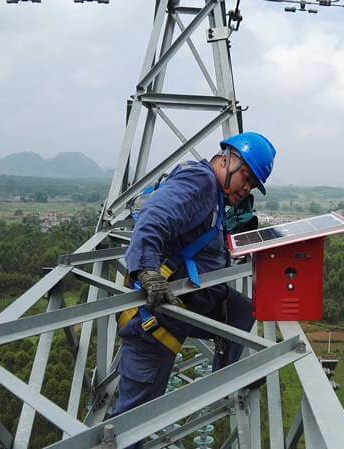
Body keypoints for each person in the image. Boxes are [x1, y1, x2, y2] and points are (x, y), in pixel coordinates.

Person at [112, 132, 277, 431]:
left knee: (241, 310)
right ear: (228, 159)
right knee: (135, 420)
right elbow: (153, 218)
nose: (247, 188)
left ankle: (228, 376)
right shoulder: (199, 182)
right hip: (156, 318)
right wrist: (147, 271)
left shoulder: (215, 196)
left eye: (253, 184)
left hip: (188, 305)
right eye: (247, 177)